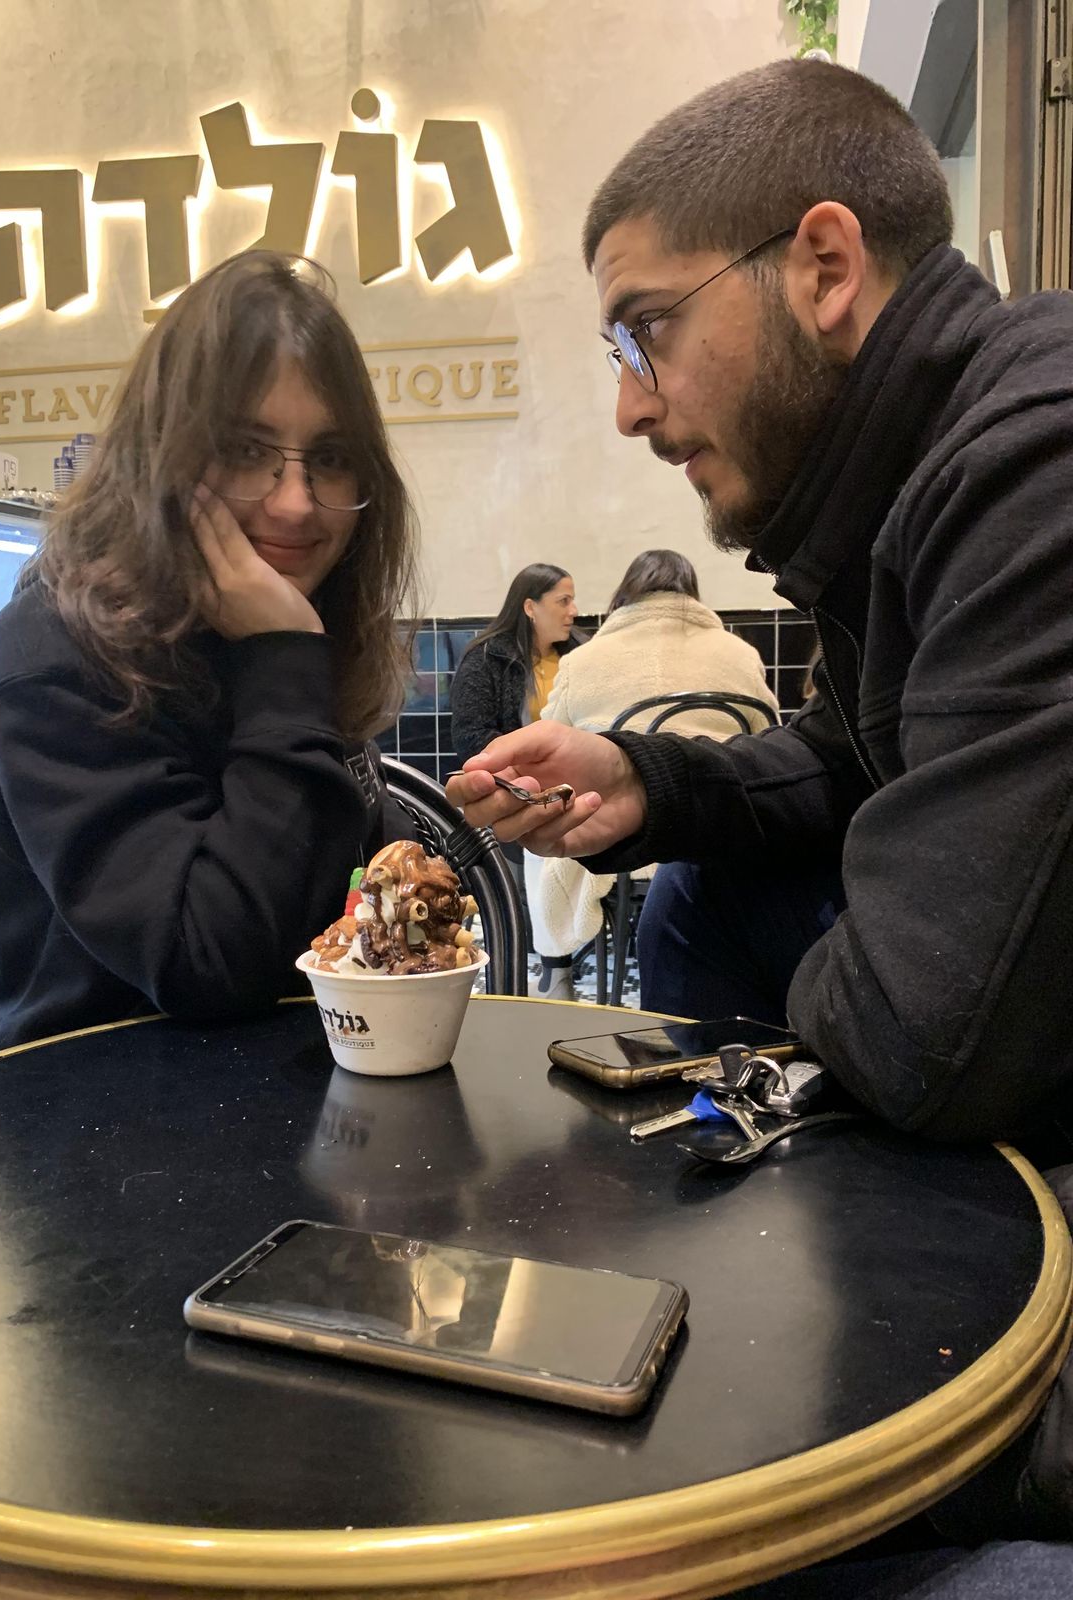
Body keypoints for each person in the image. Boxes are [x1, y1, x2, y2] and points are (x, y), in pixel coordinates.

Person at [448, 58, 1073, 1545]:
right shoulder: (906, 488)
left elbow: (926, 1032)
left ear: (824, 267)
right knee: (704, 889)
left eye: (644, 330)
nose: (626, 405)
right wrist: (650, 782)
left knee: (660, 1488)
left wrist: (795, 1042)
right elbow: (849, 759)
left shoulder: (1037, 462)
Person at [0, 251, 419, 1070]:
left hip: (246, 1089)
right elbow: (208, 958)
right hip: (51, 1099)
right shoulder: (53, 653)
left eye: (330, 457)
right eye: (246, 449)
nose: (296, 501)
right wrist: (285, 661)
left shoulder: (280, 629)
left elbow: (343, 875)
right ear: (163, 457)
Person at [528, 548, 777, 999]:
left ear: (626, 594)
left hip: (617, 841)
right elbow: (768, 741)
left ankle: (555, 970)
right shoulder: (740, 654)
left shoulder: (585, 659)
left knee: (538, 831)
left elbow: (552, 747)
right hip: (715, 829)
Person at [449, 563, 579, 767]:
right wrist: (531, 765)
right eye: (564, 601)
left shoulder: (580, 654)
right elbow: (470, 734)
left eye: (572, 601)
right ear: (530, 608)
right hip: (511, 779)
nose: (574, 611)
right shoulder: (486, 658)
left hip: (576, 773)